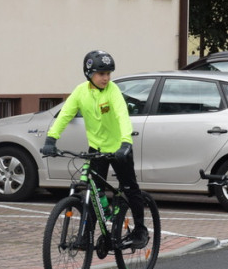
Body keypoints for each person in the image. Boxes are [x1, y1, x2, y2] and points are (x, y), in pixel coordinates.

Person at [40, 50, 148, 247]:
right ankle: (86, 235)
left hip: (119, 148)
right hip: (96, 149)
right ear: (89, 74)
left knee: (131, 188)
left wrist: (126, 143)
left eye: (108, 74)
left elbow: (122, 116)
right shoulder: (80, 92)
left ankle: (140, 231)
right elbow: (64, 115)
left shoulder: (113, 91)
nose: (106, 78)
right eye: (101, 74)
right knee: (93, 191)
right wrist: (51, 139)